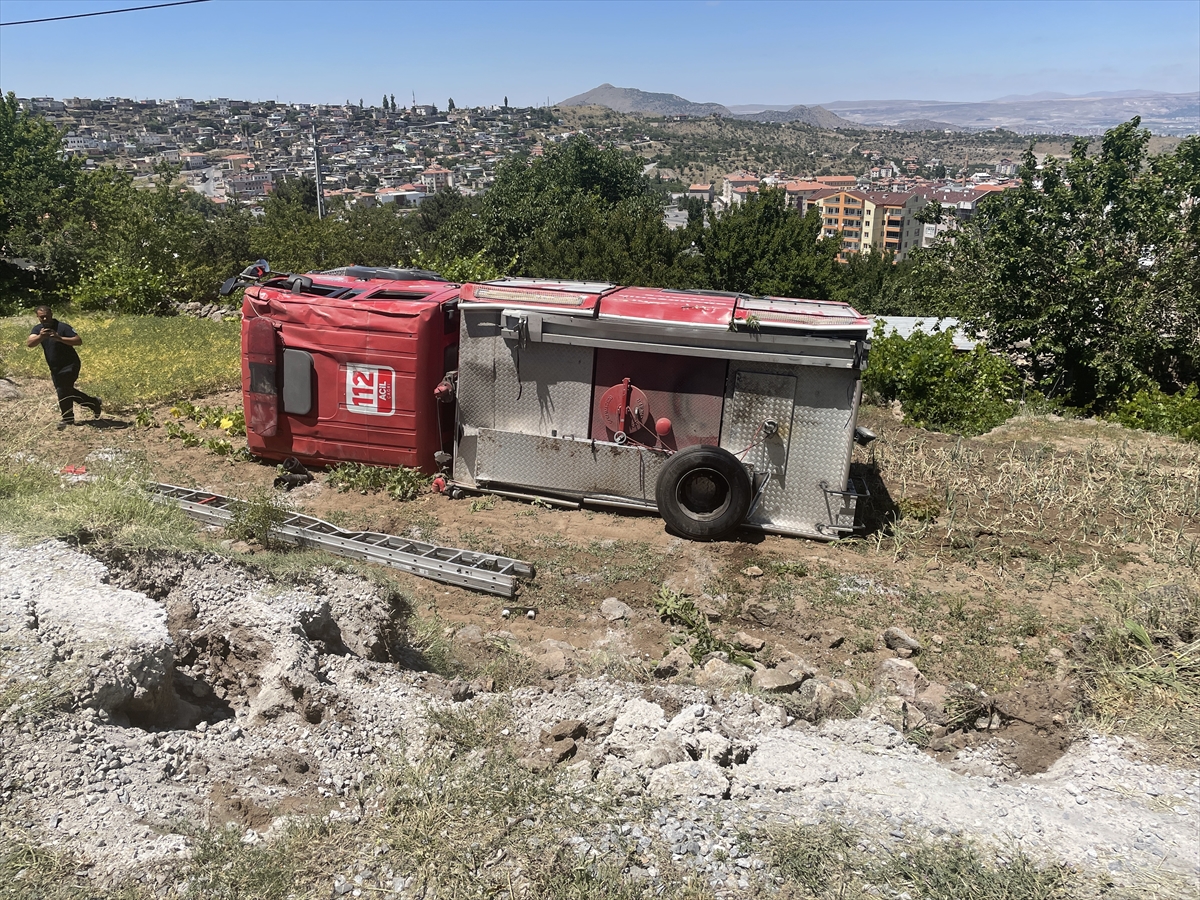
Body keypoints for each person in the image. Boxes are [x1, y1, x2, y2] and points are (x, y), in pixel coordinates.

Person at [26, 305, 102, 430]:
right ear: (37, 317)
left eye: (47, 316)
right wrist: (41, 337)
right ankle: (93, 402)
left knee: (63, 390)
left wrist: (59, 338)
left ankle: (68, 419)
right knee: (65, 390)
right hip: (55, 367)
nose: (45, 319)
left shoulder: (62, 327)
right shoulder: (38, 329)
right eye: (42, 317)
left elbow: (78, 341)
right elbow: (30, 343)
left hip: (70, 364)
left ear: (51, 314)